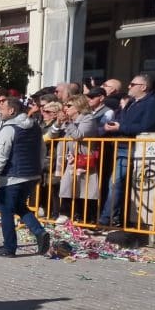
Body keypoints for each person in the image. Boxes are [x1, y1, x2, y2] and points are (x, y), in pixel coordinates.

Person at [0, 97, 51, 257]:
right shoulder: (34, 127)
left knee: (6, 210)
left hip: (12, 176)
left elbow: (1, 155)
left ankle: (9, 247)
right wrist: (38, 168)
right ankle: (39, 232)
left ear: (12, 111)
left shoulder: (9, 128)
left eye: (2, 109)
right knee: (19, 206)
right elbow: (42, 150)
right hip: (31, 174)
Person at [100, 73, 155, 227]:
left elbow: (146, 127)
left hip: (138, 149)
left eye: (132, 84)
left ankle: (108, 219)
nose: (129, 87)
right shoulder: (131, 102)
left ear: (143, 87)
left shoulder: (151, 103)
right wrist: (114, 125)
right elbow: (125, 122)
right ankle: (111, 218)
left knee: (119, 183)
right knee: (116, 183)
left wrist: (121, 127)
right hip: (124, 148)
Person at [51, 95, 100, 224]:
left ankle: (88, 218)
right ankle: (65, 213)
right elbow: (53, 134)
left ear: (78, 107)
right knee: (67, 186)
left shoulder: (88, 118)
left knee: (86, 189)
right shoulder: (70, 121)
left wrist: (67, 122)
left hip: (85, 159)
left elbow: (79, 135)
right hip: (71, 159)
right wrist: (58, 122)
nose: (65, 108)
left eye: (68, 106)